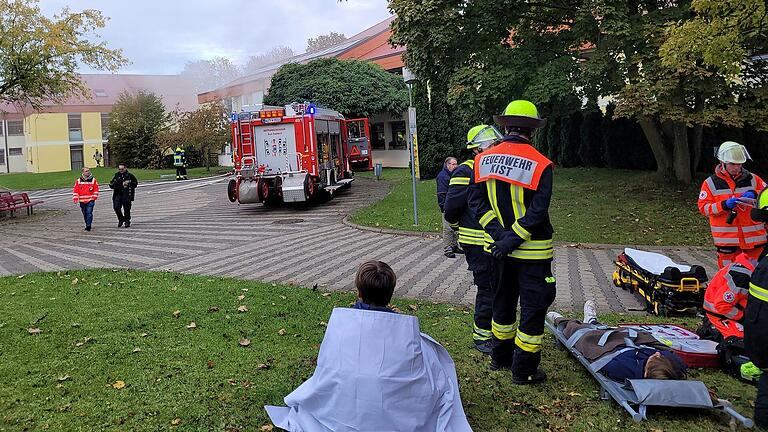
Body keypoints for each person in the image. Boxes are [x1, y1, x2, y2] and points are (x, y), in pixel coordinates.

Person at [265, 260, 472, 431]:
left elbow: (326, 371)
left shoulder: (341, 326)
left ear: (358, 292)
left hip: (340, 411)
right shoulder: (406, 334)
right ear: (390, 293)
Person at [468, 99, 555, 384]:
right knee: (532, 308)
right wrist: (513, 238)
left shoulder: (483, 160)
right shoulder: (542, 164)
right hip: (533, 254)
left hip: (498, 251)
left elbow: (476, 202)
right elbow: (538, 212)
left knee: (502, 303)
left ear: (505, 126)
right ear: (534, 130)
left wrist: (499, 236)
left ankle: (500, 357)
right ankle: (524, 370)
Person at [444, 124, 504, 354]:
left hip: (496, 241)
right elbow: (451, 209)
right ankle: (482, 337)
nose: (498, 150)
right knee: (488, 289)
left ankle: (497, 332)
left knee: (499, 288)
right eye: (493, 146)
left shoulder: (496, 169)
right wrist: (459, 229)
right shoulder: (465, 171)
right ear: (478, 149)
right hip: (477, 242)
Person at [547, 301, 687, 382]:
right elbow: (675, 359)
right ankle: (591, 321)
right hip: (628, 342)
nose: (657, 354)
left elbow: (603, 359)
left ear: (646, 374)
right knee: (610, 331)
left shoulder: (622, 368)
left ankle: (563, 321)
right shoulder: (669, 369)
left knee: (581, 333)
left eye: (655, 358)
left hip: (605, 348)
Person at [698, 141, 767, 268]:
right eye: (733, 164)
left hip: (755, 241)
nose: (737, 167)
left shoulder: (753, 179)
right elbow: (704, 208)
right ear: (722, 163)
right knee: (727, 279)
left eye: (740, 164)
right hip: (727, 243)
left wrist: (754, 193)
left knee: (758, 277)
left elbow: (766, 195)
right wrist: (724, 205)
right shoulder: (710, 183)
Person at [437, 156, 461, 258]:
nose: (456, 166)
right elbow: (442, 193)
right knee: (448, 228)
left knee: (455, 226)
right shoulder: (443, 176)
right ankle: (447, 248)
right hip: (447, 206)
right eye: (453, 164)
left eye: (456, 164)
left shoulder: (453, 175)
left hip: (454, 205)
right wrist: (444, 207)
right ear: (448, 165)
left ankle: (454, 245)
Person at [109, 163, 138, 228]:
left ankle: (127, 221)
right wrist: (120, 183)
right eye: (119, 169)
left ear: (125, 168)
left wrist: (129, 182)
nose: (120, 170)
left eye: (122, 169)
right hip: (118, 194)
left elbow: (135, 184)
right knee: (116, 207)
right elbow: (111, 185)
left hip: (127, 194)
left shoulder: (130, 175)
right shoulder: (116, 175)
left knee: (127, 209)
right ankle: (121, 219)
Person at [72, 167, 99, 231]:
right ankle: (87, 223)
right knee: (85, 214)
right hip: (82, 201)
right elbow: (75, 190)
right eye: (86, 171)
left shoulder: (93, 180)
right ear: (83, 172)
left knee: (89, 213)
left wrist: (94, 197)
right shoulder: (78, 181)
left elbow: (96, 189)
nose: (88, 172)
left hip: (90, 200)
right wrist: (75, 198)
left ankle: (88, 225)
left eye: (88, 171)